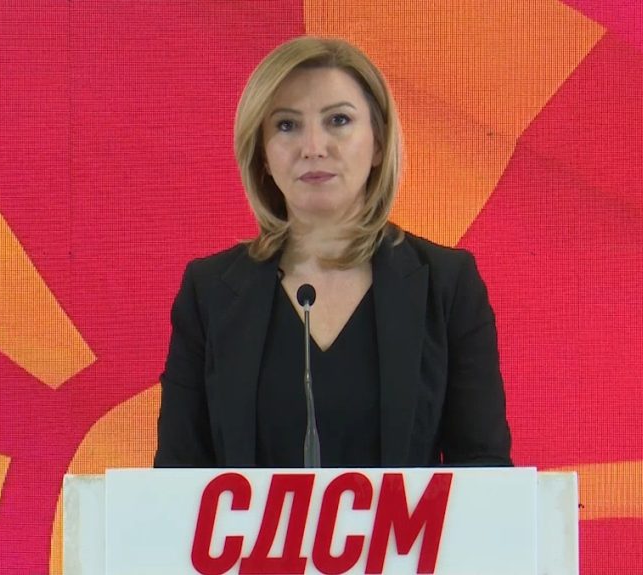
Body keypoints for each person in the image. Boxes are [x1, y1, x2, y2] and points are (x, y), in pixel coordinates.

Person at [154, 36, 511, 468]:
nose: (313, 147)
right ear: (262, 153)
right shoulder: (209, 291)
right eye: (286, 125)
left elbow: (484, 471)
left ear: (378, 143)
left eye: (338, 120)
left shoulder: (447, 284)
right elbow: (175, 478)